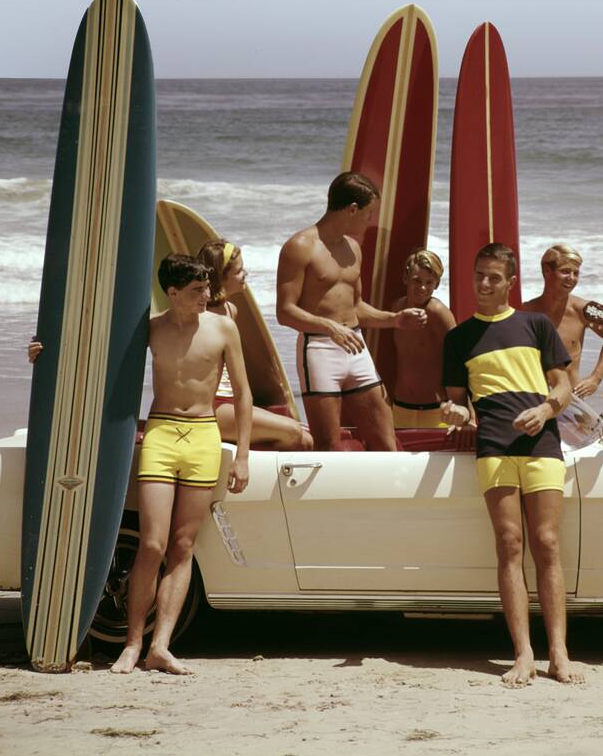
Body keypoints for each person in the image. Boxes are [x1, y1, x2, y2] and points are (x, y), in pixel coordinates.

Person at [441, 242, 582, 687]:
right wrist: (455, 414)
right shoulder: (458, 338)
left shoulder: (536, 324)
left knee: (547, 542)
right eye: (479, 274)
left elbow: (562, 387)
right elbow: (459, 405)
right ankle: (523, 653)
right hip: (494, 445)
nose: (484, 283)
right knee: (509, 543)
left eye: (494, 277)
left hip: (542, 442)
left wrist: (543, 411)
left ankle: (559, 653)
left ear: (510, 282)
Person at [110, 253, 252, 675]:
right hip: (162, 434)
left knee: (183, 546)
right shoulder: (151, 330)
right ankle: (132, 643)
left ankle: (161, 646)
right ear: (171, 293)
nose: (206, 295)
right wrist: (42, 351)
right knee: (152, 544)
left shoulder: (224, 327)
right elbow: (102, 365)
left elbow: (243, 394)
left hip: (204, 435)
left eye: (208, 287)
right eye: (196, 291)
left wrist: (241, 455)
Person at [275, 171, 427, 451]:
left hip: (356, 347)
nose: (370, 221)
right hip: (319, 349)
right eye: (368, 213)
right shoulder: (300, 247)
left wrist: (394, 320)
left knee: (386, 441)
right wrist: (329, 326)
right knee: (328, 446)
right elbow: (285, 312)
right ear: (352, 209)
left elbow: (355, 307)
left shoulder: (353, 248)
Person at [195, 239, 313, 450]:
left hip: (232, 402)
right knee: (295, 434)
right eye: (240, 271)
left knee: (304, 438)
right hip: (214, 407)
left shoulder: (231, 310)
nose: (246, 274)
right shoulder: (199, 316)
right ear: (221, 277)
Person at [521, 243, 603, 400]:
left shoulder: (582, 310)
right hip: (534, 398)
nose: (572, 278)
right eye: (565, 272)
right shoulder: (525, 312)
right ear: (547, 271)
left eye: (576, 273)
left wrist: (596, 378)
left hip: (572, 400)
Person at [390, 248, 456, 428]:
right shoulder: (396, 308)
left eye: (429, 282)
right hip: (401, 406)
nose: (422, 288)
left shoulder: (438, 312)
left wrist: (468, 414)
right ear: (405, 278)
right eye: (417, 281)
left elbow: (460, 358)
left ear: (436, 284)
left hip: (436, 410)